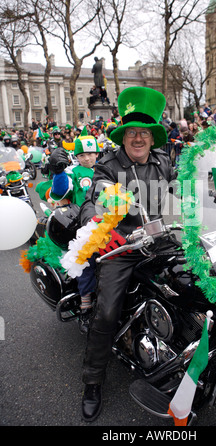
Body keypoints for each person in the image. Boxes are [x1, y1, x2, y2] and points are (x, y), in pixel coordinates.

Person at [79, 86, 177, 422]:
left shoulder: (164, 162)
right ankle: (92, 381)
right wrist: (99, 222)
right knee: (106, 312)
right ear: (124, 137)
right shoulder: (108, 166)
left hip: (163, 241)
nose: (138, 138)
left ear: (152, 138)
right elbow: (93, 199)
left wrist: (211, 201)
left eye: (144, 133)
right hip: (123, 246)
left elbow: (182, 194)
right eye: (132, 132)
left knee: (199, 283)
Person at [36, 127, 100, 333]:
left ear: (97, 154)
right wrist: (59, 171)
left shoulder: (107, 169)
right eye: (82, 154)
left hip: (110, 221)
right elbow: (59, 191)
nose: (87, 158)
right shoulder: (74, 172)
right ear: (77, 156)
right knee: (87, 263)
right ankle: (86, 302)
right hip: (83, 225)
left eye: (91, 153)